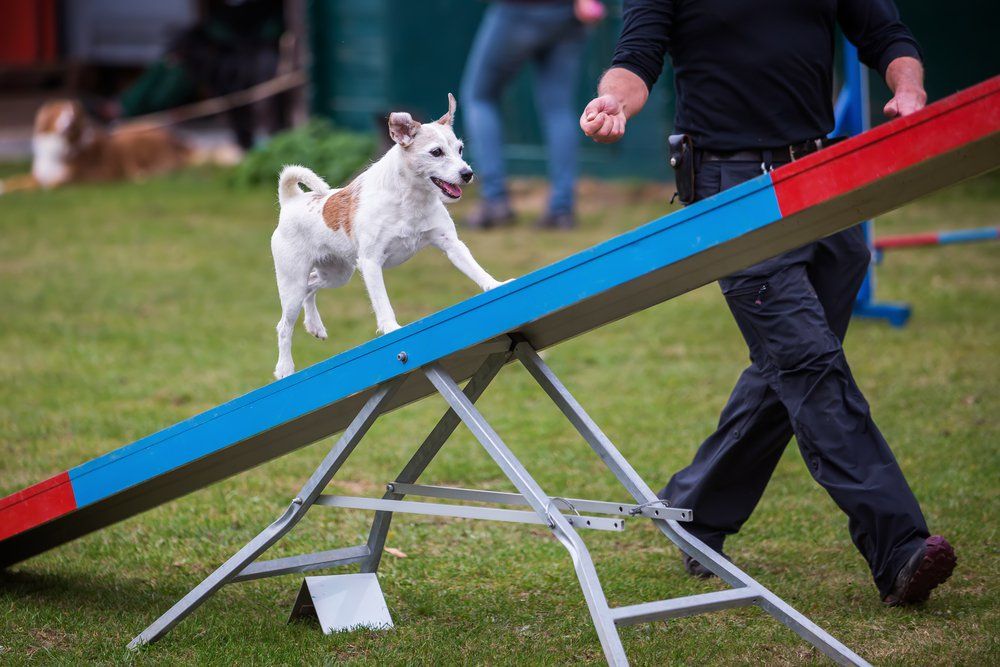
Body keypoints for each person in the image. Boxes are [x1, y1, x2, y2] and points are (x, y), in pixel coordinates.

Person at [580, 0, 956, 606]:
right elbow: (637, 57)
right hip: (731, 188)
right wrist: (613, 102)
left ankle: (693, 509)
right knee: (810, 366)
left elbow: (884, 32)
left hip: (820, 173)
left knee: (788, 365)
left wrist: (908, 88)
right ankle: (898, 546)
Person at [461, 0, 605, 230]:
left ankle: (494, 200)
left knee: (480, 97)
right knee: (558, 108)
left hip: (518, 10)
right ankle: (561, 209)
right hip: (567, 14)